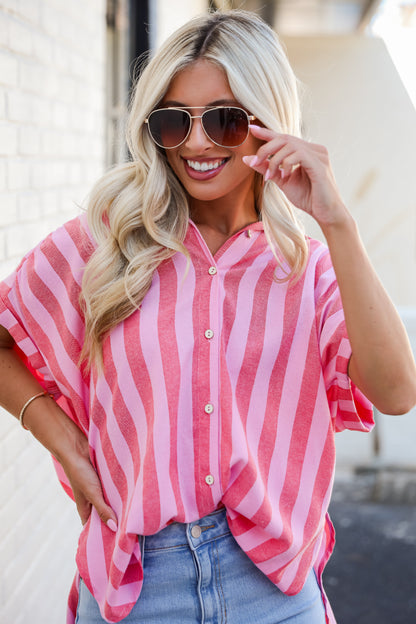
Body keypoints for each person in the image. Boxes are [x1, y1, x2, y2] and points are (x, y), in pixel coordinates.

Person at [0, 9, 415, 624]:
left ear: (266, 122)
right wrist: (59, 438)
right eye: (175, 121)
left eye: (224, 119)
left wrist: (337, 220)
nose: (197, 143)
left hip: (272, 591)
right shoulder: (109, 242)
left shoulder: (309, 271)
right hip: (138, 588)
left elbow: (397, 391)